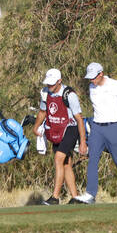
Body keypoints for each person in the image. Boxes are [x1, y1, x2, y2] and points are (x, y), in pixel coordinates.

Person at [73, 62, 117, 205]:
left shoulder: (115, 85)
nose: (91, 80)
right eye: (89, 78)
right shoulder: (91, 86)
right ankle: (90, 194)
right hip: (97, 128)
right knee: (93, 159)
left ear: (101, 74)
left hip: (114, 127)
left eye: (93, 77)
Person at [34, 68, 88, 205]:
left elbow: (79, 119)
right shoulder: (45, 93)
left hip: (71, 128)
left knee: (58, 158)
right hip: (55, 129)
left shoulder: (69, 95)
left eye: (52, 83)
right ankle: (75, 197)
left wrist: (82, 142)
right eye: (48, 83)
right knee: (66, 164)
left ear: (59, 81)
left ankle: (55, 198)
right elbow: (42, 112)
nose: (49, 86)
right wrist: (35, 126)